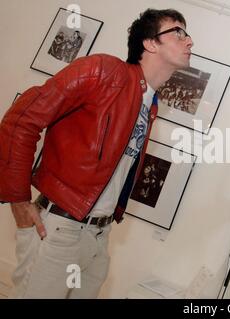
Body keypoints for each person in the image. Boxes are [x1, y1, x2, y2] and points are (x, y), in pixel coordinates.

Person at [0, 8, 193, 298]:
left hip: (99, 237)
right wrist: (17, 198)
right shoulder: (103, 70)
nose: (189, 41)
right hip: (59, 230)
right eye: (178, 32)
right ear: (150, 43)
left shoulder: (150, 104)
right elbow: (22, 119)